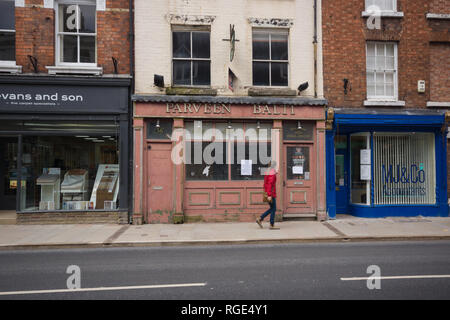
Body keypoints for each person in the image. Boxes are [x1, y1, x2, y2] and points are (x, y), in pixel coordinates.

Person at [256, 160, 279, 230]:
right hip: (271, 194)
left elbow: (265, 184)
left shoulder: (268, 171)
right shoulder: (272, 172)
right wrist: (269, 195)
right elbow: (269, 184)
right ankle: (270, 224)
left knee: (272, 208)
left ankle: (260, 219)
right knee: (273, 208)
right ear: (274, 165)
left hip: (269, 192)